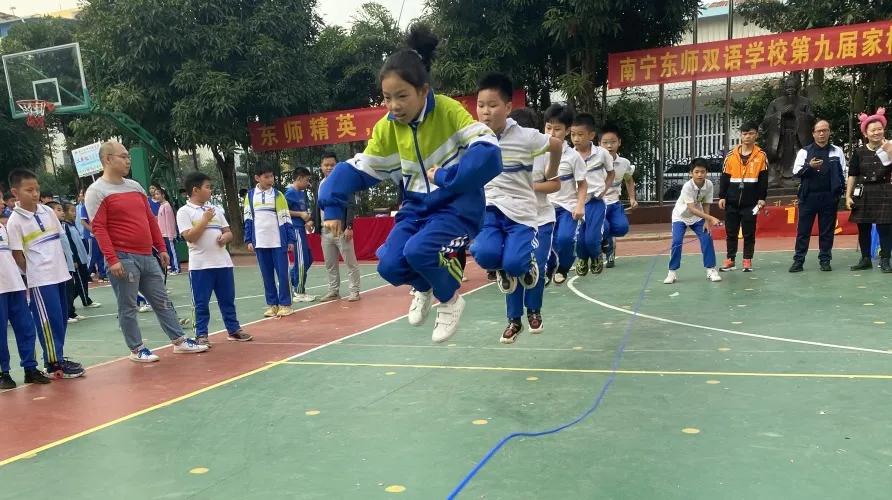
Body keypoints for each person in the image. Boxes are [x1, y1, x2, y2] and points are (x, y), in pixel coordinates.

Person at [318, 24, 502, 343]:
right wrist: (332, 205)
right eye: (387, 98)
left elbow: (486, 147)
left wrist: (448, 177)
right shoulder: (387, 128)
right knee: (389, 265)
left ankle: (450, 300)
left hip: (457, 207)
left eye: (402, 96)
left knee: (419, 250)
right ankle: (422, 286)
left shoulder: (447, 110)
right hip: (417, 207)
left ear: (423, 91)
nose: (394, 106)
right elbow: (361, 167)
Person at [85, 141, 208, 363]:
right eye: (123, 156)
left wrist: (160, 247)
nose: (128, 160)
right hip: (122, 257)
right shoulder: (96, 191)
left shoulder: (135, 187)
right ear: (107, 159)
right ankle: (137, 349)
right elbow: (99, 228)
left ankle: (180, 341)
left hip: (146, 255)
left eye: (128, 156)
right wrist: (112, 259)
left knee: (162, 300)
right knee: (128, 306)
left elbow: (149, 219)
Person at [470, 74, 561, 343]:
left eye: (492, 105)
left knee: (518, 263)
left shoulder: (528, 139)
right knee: (488, 256)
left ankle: (532, 309)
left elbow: (556, 148)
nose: (485, 112)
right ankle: (513, 317)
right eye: (481, 105)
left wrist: (550, 172)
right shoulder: (474, 137)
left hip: (525, 215)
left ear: (508, 108)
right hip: (490, 209)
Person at [6, 169, 86, 378]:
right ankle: (53, 364)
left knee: (60, 319)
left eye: (37, 189)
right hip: (41, 280)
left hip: (61, 274)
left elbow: (58, 240)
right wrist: (34, 273)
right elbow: (17, 255)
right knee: (48, 322)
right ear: (15, 192)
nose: (35, 194)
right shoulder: (15, 221)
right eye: (29, 190)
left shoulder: (48, 212)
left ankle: (57, 356)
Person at [500, 106, 562, 340]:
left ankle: (534, 311)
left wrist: (530, 186)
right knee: (512, 267)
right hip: (513, 219)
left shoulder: (543, 151)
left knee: (536, 264)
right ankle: (514, 320)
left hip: (541, 218)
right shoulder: (500, 153)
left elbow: (555, 184)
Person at [178, 171, 252, 346]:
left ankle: (234, 330)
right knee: (201, 303)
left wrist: (226, 237)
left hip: (223, 263)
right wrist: (204, 220)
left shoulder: (216, 210)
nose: (210, 190)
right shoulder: (184, 212)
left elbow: (228, 232)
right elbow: (190, 237)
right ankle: (201, 334)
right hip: (200, 266)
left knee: (228, 300)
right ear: (195, 190)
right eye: (207, 187)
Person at [0, 217, 52, 389]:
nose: (1, 204)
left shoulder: (3, 227)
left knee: (27, 329)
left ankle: (30, 368)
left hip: (15, 285)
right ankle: (4, 373)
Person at [789, 120, 847, 273]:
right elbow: (796, 172)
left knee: (827, 231)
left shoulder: (837, 151)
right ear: (813, 133)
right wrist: (809, 166)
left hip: (829, 196)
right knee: (803, 230)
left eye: (825, 130)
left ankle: (825, 260)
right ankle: (798, 261)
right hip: (808, 196)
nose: (822, 133)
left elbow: (843, 172)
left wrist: (840, 192)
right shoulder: (804, 152)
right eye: (819, 131)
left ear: (829, 132)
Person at [243, 164, 296, 317]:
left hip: (278, 242)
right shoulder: (250, 196)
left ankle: (285, 304)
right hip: (260, 242)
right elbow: (248, 218)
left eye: (271, 176)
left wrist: (290, 239)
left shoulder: (278, 195)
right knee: (266, 276)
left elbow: (286, 218)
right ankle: (272, 305)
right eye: (266, 177)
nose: (270, 179)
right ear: (257, 178)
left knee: (283, 274)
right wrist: (249, 239)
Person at [542, 104, 587, 285]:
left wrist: (580, 205)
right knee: (548, 241)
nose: (551, 133)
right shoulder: (538, 153)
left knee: (565, 239)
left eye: (557, 129)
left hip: (567, 208)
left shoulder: (573, 157)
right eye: (548, 128)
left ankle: (564, 267)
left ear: (567, 131)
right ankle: (549, 267)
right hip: (545, 207)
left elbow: (582, 184)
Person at [718, 121, 768, 273]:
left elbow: (763, 179)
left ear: (756, 135)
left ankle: (747, 260)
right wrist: (722, 196)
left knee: (749, 232)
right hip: (731, 201)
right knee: (731, 232)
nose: (747, 136)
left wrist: (762, 198)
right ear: (740, 135)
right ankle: (730, 260)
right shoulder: (730, 155)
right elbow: (724, 177)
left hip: (751, 203)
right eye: (745, 134)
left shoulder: (761, 155)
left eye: (751, 133)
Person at [664, 158, 722, 284]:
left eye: (702, 172)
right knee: (677, 242)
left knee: (707, 238)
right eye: (696, 172)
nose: (700, 174)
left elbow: (706, 204)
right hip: (680, 216)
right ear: (691, 173)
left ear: (707, 172)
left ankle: (711, 269)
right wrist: (711, 218)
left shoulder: (709, 185)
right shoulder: (687, 186)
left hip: (698, 217)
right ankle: (672, 272)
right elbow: (691, 208)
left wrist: (706, 221)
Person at [570, 113, 614, 276]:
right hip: (577, 202)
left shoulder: (602, 153)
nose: (576, 139)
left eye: (580, 134)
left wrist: (604, 190)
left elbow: (611, 173)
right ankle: (582, 258)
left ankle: (596, 256)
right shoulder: (569, 155)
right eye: (573, 134)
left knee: (591, 237)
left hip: (596, 202)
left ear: (591, 135)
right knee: (579, 238)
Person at [314, 151, 361, 303]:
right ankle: (333, 291)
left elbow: (350, 205)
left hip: (341, 228)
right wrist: (315, 223)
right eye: (326, 165)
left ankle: (354, 291)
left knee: (350, 262)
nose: (329, 168)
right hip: (325, 230)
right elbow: (317, 205)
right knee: (330, 264)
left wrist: (349, 226)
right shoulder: (320, 184)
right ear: (321, 167)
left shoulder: (344, 182)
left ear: (337, 166)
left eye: (332, 165)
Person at [599, 127, 637, 268]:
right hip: (597, 203)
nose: (609, 146)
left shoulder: (624, 163)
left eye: (613, 142)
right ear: (599, 144)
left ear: (619, 142)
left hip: (614, 203)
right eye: (605, 142)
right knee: (603, 228)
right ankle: (604, 251)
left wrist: (632, 198)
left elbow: (629, 180)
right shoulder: (593, 162)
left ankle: (609, 241)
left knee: (622, 228)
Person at [60, 202, 100, 314]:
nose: (74, 213)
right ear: (65, 212)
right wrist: (73, 259)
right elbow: (69, 244)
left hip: (82, 258)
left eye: (75, 211)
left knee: (84, 279)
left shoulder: (72, 225)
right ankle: (85, 301)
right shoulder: (65, 226)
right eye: (71, 211)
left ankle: (72, 300)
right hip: (76, 259)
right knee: (80, 281)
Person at [285, 166, 317, 302]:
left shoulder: (302, 194)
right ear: (299, 178)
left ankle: (289, 281)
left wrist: (308, 220)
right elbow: (283, 211)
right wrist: (300, 214)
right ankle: (299, 292)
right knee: (302, 260)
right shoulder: (289, 193)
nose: (308, 183)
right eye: (306, 180)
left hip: (302, 229)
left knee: (308, 258)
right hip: (295, 230)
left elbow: (305, 212)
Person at [79, 192, 108, 282]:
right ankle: (86, 274)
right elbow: (83, 222)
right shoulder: (85, 207)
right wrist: (93, 230)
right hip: (91, 236)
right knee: (92, 256)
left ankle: (103, 274)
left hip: (100, 235)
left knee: (101, 255)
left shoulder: (99, 206)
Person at [153, 187, 181, 274]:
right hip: (163, 234)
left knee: (172, 251)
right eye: (155, 194)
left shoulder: (167, 206)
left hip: (169, 235)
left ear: (163, 195)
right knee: (168, 252)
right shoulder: (161, 206)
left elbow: (170, 221)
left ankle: (176, 268)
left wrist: (170, 235)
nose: (156, 196)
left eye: (158, 194)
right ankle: (172, 267)